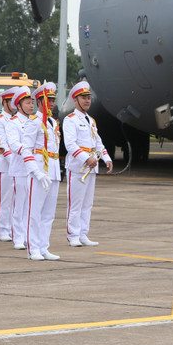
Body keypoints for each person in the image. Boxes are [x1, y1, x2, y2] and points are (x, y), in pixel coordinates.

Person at [63, 81, 113, 247]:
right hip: (78, 167)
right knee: (75, 204)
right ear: (75, 100)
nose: (87, 101)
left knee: (87, 204)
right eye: (83, 98)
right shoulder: (70, 120)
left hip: (92, 167)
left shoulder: (91, 121)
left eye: (88, 98)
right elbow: (70, 145)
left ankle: (83, 234)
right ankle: (73, 235)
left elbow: (97, 143)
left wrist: (107, 158)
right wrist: (86, 158)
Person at [21, 82, 62, 261]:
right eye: (48, 100)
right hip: (39, 170)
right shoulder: (34, 122)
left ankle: (44, 246)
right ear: (39, 101)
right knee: (35, 212)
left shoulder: (52, 123)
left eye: (53, 100)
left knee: (48, 213)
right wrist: (36, 172)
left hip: (52, 169)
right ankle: (33, 248)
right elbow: (25, 149)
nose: (51, 103)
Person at [6, 87, 34, 251]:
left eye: (32, 103)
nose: (31, 106)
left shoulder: (34, 121)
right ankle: (18, 237)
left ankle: (27, 235)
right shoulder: (13, 123)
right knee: (20, 204)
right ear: (19, 105)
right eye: (27, 103)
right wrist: (28, 150)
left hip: (32, 168)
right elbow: (14, 144)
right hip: (20, 168)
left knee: (30, 204)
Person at [0, 87, 18, 243]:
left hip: (19, 165)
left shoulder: (19, 120)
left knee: (18, 199)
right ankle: (3, 229)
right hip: (6, 165)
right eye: (12, 102)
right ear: (5, 102)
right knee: (5, 199)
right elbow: (2, 144)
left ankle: (15, 228)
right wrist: (15, 161)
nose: (15, 105)